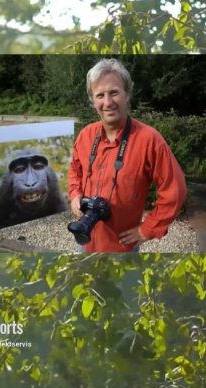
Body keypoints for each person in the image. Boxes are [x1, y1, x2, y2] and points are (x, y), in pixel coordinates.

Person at [68, 58, 187, 253]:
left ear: (127, 95)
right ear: (93, 101)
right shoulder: (86, 135)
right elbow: (75, 169)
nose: (107, 102)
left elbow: (175, 189)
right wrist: (75, 194)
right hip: (84, 240)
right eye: (100, 95)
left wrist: (147, 229)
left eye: (114, 92)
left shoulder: (149, 139)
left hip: (122, 248)